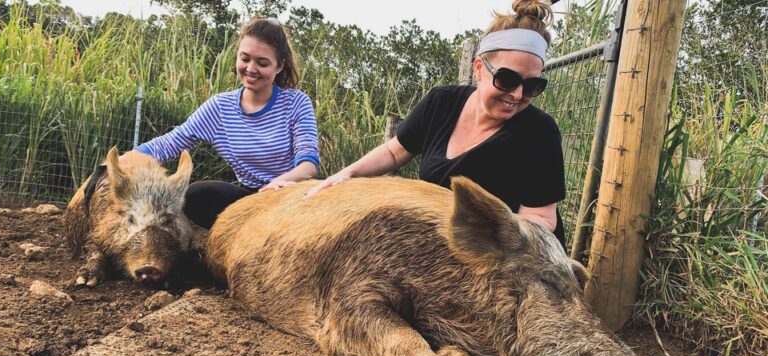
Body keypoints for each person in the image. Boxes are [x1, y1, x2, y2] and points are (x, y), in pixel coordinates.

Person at [306, 0, 566, 247]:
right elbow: (394, 152)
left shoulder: (539, 132)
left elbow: (541, 219)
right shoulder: (441, 102)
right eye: (507, 79)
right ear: (479, 68)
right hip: (441, 243)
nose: (517, 95)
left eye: (532, 85)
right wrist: (348, 173)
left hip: (508, 254)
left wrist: (482, 232)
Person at [134, 18, 320, 229]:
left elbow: (308, 165)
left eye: (262, 63)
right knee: (196, 195)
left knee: (328, 195)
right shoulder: (220, 107)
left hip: (294, 193)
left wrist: (279, 183)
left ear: (279, 66)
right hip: (250, 199)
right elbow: (171, 143)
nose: (251, 69)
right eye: (245, 59)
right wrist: (124, 160)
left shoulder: (296, 102)